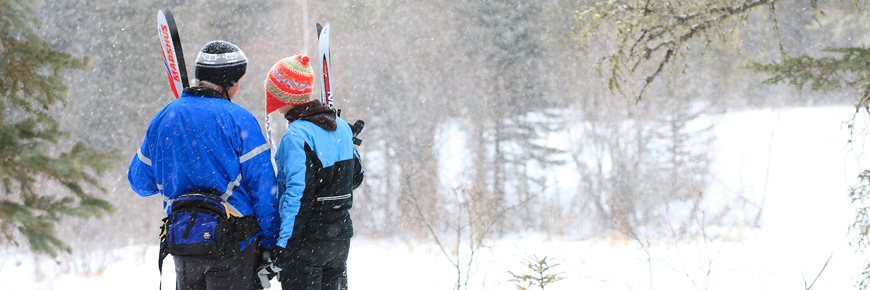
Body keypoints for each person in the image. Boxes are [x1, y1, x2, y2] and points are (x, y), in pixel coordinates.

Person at [128, 40, 279, 290]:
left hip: (185, 244)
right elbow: (264, 189)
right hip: (235, 246)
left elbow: (140, 183)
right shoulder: (240, 120)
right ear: (228, 82)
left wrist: (177, 171)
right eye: (239, 80)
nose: (240, 87)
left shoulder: (164, 118)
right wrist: (271, 242)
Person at [263, 55, 364, 290]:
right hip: (339, 239)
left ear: (284, 95)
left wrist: (284, 246)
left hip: (307, 242)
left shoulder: (296, 136)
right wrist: (349, 146)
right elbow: (355, 178)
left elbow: (297, 197)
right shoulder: (340, 127)